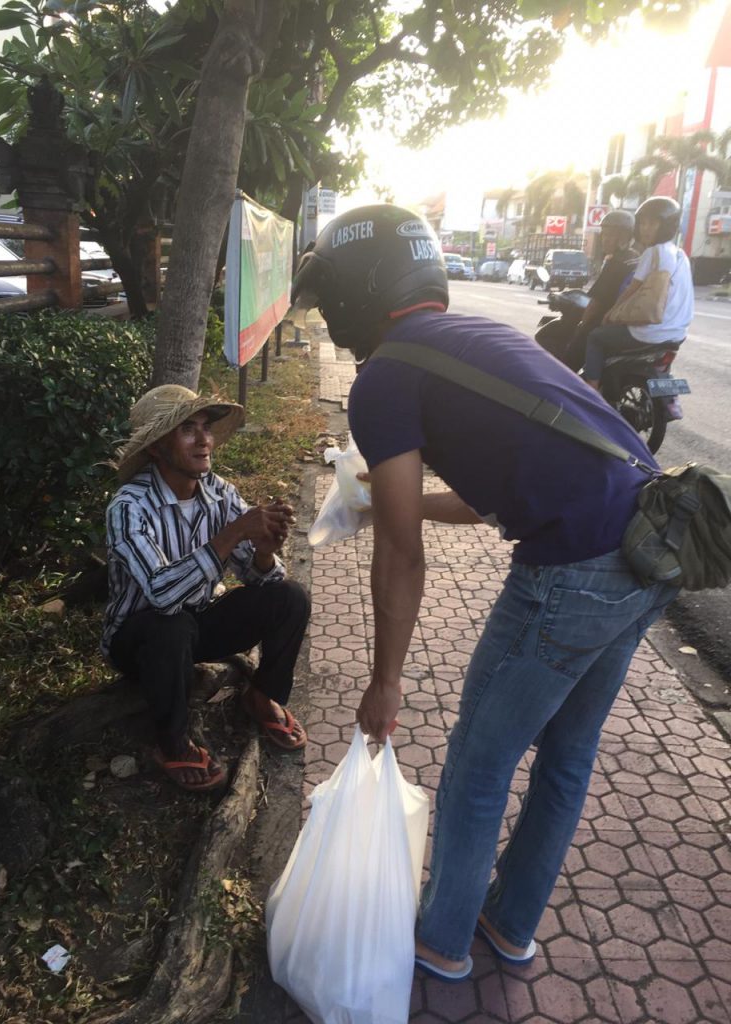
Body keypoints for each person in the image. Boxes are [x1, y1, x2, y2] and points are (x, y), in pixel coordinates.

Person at [291, 204, 679, 979]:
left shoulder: (386, 378)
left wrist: (385, 682)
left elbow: (403, 556)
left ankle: (440, 940)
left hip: (574, 571)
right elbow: (484, 499)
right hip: (650, 550)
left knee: (477, 760)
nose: (330, 314)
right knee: (568, 756)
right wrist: (378, 500)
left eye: (331, 295)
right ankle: (509, 927)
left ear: (361, 291)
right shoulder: (479, 338)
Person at [103, 384, 310, 792]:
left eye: (206, 428)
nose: (204, 440)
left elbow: (260, 579)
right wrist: (233, 533)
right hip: (140, 640)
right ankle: (172, 742)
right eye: (187, 430)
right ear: (157, 448)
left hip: (194, 625)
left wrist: (264, 554)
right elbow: (161, 595)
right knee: (171, 624)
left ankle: (262, 695)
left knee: (289, 596)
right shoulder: (128, 507)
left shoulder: (219, 493)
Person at [584, 196, 694, 390]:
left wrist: (611, 314)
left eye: (652, 224)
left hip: (650, 332)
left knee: (596, 336)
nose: (645, 229)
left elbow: (631, 290)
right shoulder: (681, 255)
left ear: (666, 225)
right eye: (643, 223)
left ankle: (591, 390)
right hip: (677, 334)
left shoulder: (653, 252)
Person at [559, 208, 640, 371]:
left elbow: (596, 302)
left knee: (568, 363)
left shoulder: (616, 263)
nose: (604, 239)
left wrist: (582, 324)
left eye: (610, 235)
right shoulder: (635, 257)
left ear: (623, 237)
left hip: (606, 320)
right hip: (626, 321)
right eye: (604, 234)